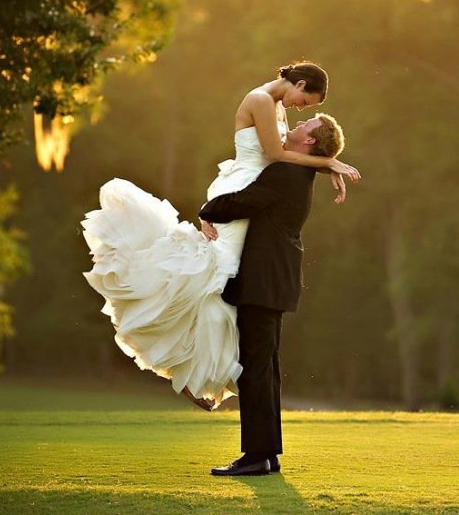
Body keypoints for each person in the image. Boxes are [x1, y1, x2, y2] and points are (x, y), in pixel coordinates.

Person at [81, 61, 359, 409]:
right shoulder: (259, 99)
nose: (299, 109)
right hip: (243, 191)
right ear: (299, 83)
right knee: (215, 272)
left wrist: (325, 163)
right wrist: (326, 163)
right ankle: (185, 367)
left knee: (225, 281)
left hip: (254, 191)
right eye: (304, 102)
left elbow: (287, 158)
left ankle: (194, 371)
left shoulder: (276, 108)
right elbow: (276, 154)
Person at [200, 112, 346, 476]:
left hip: (263, 282)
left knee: (257, 369)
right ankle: (266, 455)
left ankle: (256, 457)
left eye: (305, 126)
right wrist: (329, 165)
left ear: (309, 142)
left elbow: (244, 202)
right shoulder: (300, 170)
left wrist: (207, 210)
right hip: (273, 281)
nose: (296, 125)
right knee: (264, 369)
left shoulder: (287, 173)